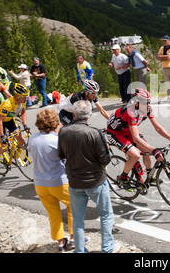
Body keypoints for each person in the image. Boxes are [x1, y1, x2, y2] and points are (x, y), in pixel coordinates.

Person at [57, 100, 115, 253]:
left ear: (74, 114)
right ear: (89, 114)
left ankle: (80, 250)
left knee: (77, 219)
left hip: (75, 182)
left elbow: (60, 154)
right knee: (106, 215)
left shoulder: (63, 131)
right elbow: (105, 159)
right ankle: (107, 249)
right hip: (96, 181)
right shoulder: (95, 132)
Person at [106, 88, 170, 191]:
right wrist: (154, 150)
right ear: (137, 103)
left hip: (128, 130)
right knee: (135, 155)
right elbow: (136, 138)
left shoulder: (148, 109)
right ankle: (123, 178)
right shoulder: (131, 112)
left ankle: (149, 176)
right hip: (115, 133)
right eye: (144, 103)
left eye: (148, 102)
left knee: (146, 149)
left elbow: (157, 127)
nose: (147, 105)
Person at [29, 109, 74, 253]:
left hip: (40, 183)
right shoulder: (57, 140)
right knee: (73, 207)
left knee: (53, 214)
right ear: (55, 123)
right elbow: (68, 159)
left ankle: (60, 243)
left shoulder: (32, 138)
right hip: (58, 182)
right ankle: (74, 239)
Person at [0, 83, 30, 158]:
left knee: (21, 141)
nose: (26, 99)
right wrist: (2, 136)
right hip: (0, 122)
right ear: (17, 96)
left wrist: (25, 125)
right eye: (24, 97)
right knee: (4, 147)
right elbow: (0, 120)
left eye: (27, 97)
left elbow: (23, 113)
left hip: (10, 120)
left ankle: (17, 157)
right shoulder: (8, 104)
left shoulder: (23, 102)